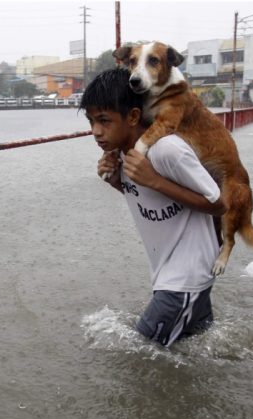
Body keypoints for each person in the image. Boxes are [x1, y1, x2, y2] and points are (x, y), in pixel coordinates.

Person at [80, 68, 226, 347]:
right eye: (91, 121)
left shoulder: (167, 150)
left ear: (133, 116)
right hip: (174, 275)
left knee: (140, 359)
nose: (96, 131)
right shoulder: (124, 153)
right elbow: (147, 197)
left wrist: (155, 180)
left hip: (184, 278)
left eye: (104, 120)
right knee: (196, 354)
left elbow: (218, 204)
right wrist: (115, 181)